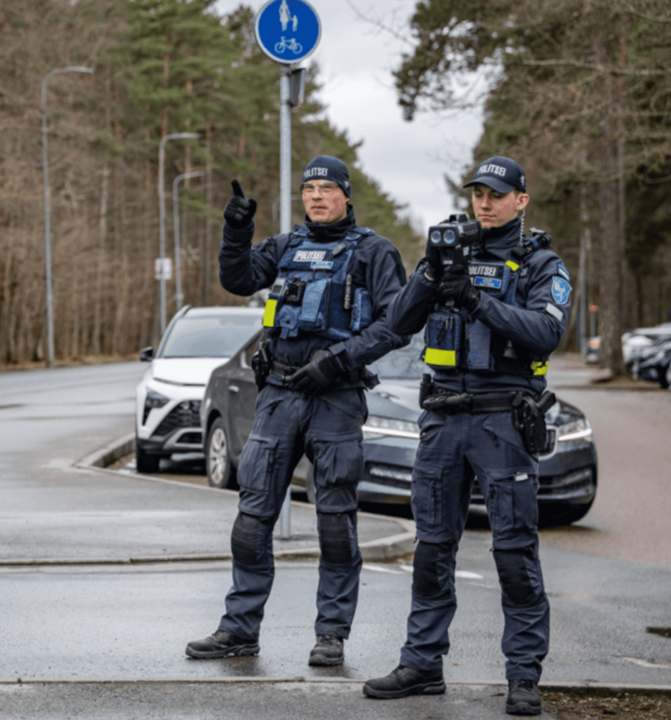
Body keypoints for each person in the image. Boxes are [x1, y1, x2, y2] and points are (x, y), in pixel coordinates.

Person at [363, 156, 571, 716]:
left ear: (520, 201)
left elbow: (546, 331)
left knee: (514, 552)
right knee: (432, 548)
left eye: (496, 195)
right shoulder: (447, 252)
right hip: (442, 421)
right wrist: (431, 274)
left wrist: (478, 300)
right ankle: (421, 665)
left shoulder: (540, 263)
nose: (485, 203)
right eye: (478, 193)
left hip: (503, 421)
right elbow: (399, 323)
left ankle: (523, 677)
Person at [186, 156, 409, 667]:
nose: (316, 196)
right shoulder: (287, 246)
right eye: (309, 189)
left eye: (327, 188)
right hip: (279, 395)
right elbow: (238, 279)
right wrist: (236, 233)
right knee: (252, 517)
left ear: (346, 195)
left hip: (336, 397)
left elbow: (397, 324)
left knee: (334, 521)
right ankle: (239, 629)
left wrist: (338, 361)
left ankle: (331, 634)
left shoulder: (374, 251)